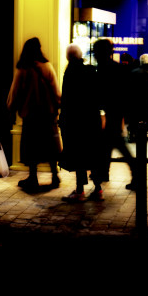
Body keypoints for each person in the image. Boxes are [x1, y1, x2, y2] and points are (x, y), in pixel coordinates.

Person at [7, 37, 62, 191]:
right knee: (50, 146)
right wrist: (58, 106)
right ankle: (54, 175)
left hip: (30, 115)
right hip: (48, 115)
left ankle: (33, 177)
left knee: (31, 147)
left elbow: (15, 92)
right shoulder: (47, 67)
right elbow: (57, 92)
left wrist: (10, 107)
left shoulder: (22, 69)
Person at [59, 44, 104, 202]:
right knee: (92, 155)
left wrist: (62, 119)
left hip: (75, 121)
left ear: (68, 57)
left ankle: (79, 190)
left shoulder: (70, 72)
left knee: (78, 156)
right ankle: (98, 188)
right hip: (91, 120)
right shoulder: (90, 70)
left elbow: (66, 100)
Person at [93, 38, 136, 190]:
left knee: (114, 143)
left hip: (111, 112)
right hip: (116, 112)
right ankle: (104, 173)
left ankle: (134, 175)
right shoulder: (116, 68)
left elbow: (102, 94)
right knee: (110, 144)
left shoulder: (103, 69)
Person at [128, 53, 148, 142]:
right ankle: (147, 126)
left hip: (135, 102)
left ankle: (133, 130)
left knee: (134, 115)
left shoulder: (134, 72)